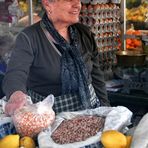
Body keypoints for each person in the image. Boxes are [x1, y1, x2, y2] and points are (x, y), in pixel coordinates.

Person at [2, 0, 110, 116]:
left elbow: (96, 76)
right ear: (48, 4)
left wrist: (106, 109)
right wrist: (16, 94)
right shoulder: (29, 37)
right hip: (50, 117)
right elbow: (15, 73)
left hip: (91, 112)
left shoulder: (84, 33)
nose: (77, 5)